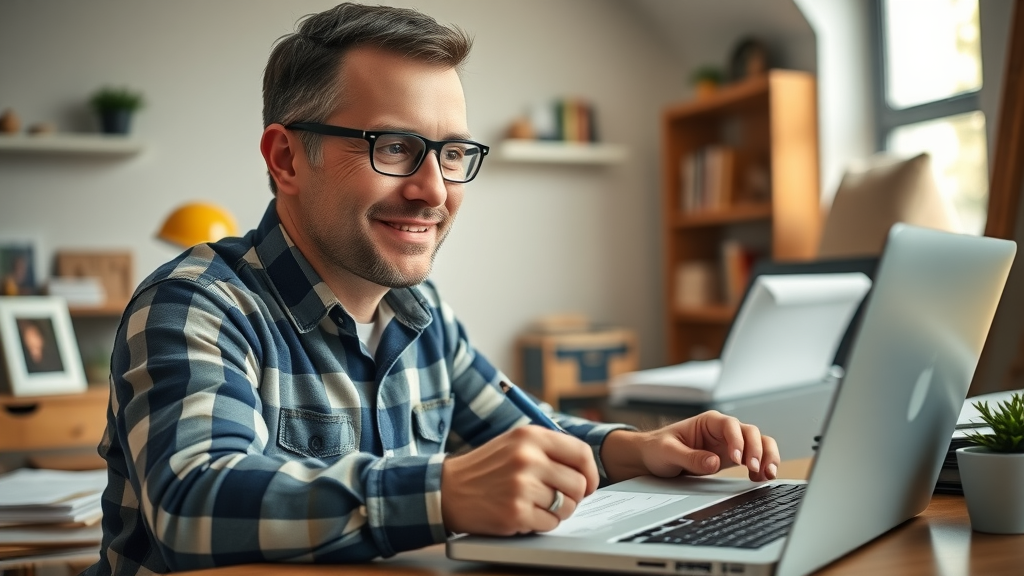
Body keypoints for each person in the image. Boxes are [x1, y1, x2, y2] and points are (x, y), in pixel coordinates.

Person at [86, 4, 779, 575]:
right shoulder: (195, 303)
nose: (434, 190)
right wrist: (443, 493)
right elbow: (193, 503)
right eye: (394, 147)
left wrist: (643, 448)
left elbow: (528, 435)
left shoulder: (420, 313)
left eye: (451, 153)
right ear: (287, 157)